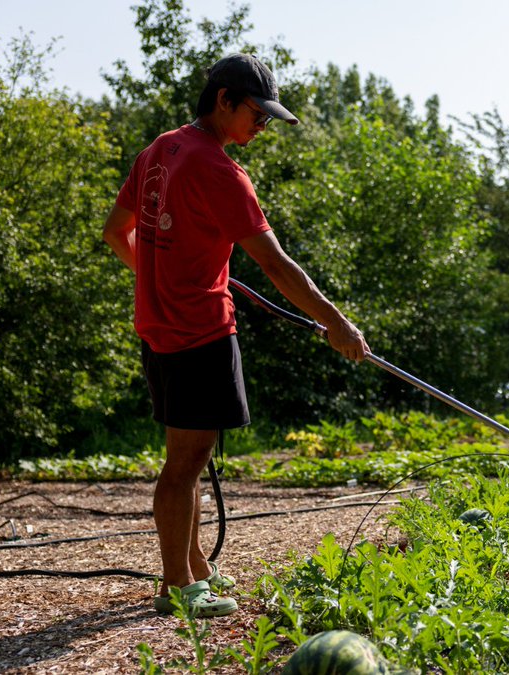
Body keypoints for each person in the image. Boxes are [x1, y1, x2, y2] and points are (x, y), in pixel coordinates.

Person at [102, 53, 370, 617]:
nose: (263, 125)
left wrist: (160, 278)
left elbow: (115, 231)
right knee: (184, 465)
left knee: (188, 459)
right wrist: (336, 323)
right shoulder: (219, 171)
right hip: (198, 331)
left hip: (157, 326)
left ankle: (195, 567)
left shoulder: (159, 150)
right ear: (223, 100)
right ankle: (177, 587)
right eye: (258, 113)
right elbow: (276, 267)